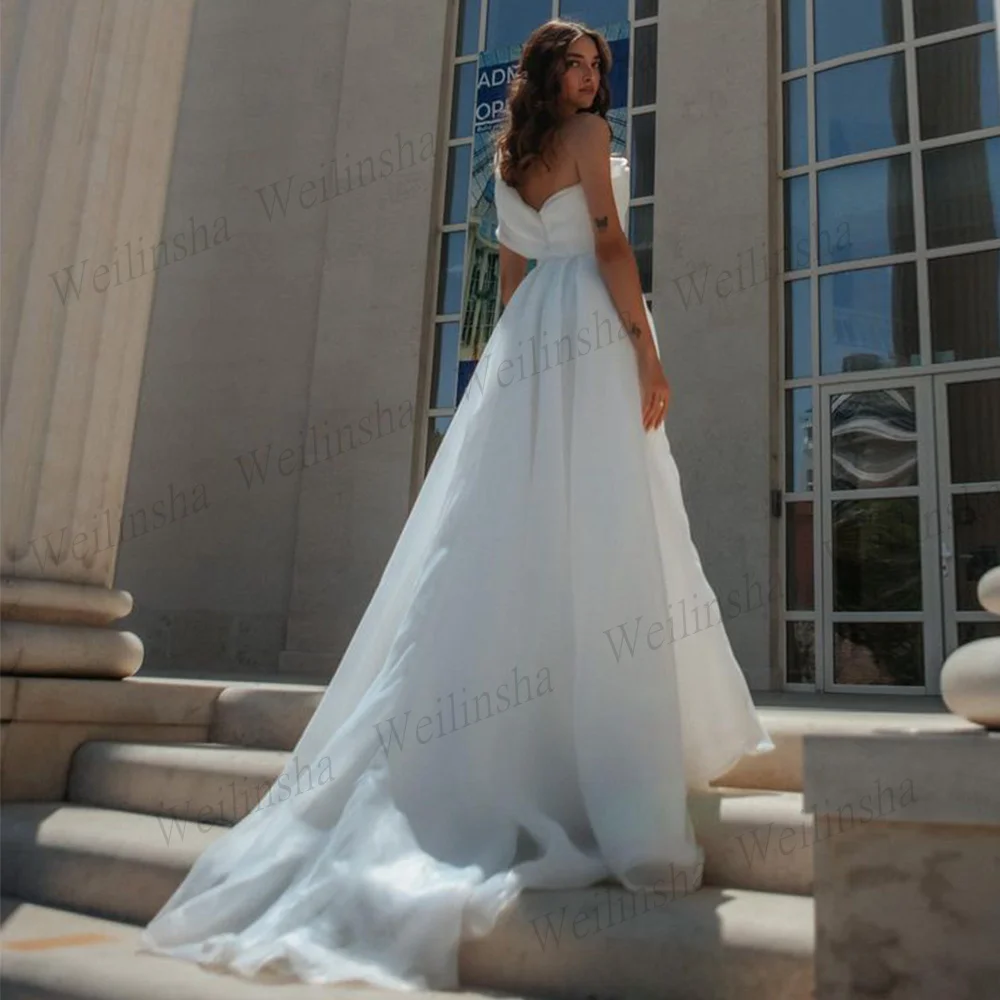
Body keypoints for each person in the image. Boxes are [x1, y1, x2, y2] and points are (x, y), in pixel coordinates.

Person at [139, 18, 773, 992]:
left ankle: (538, 738)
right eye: (579, 61)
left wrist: (504, 375)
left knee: (513, 539)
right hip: (589, 330)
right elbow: (606, 240)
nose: (594, 75)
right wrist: (644, 348)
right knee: (604, 528)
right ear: (546, 73)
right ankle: (602, 760)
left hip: (527, 344)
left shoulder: (508, 159)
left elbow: (510, 273)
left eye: (599, 63)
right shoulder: (588, 142)